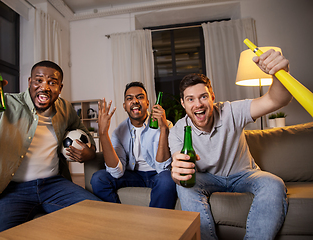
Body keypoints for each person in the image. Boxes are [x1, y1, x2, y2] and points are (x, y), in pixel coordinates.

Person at [0, 60, 101, 240]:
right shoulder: (2, 104)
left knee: (100, 216)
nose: (44, 87)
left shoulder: (65, 108)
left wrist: (90, 152)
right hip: (13, 190)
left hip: (55, 185)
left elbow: (86, 135)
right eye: (38, 80)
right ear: (30, 81)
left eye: (52, 83)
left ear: (60, 88)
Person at [168, 49, 292, 239]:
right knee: (184, 187)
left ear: (212, 97)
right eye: (190, 99)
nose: (198, 104)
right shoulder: (178, 130)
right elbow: (180, 166)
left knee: (274, 183)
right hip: (207, 178)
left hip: (244, 175)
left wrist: (279, 73)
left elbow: (276, 100)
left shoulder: (231, 111)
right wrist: (178, 173)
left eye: (203, 96)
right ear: (183, 104)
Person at [91, 82, 177, 209]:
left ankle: (156, 224)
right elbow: (116, 172)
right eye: (129, 98)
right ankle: (119, 219)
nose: (135, 101)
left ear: (148, 103)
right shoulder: (119, 132)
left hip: (157, 174)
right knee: (98, 178)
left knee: (167, 179)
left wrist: (163, 128)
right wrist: (103, 133)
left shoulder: (166, 124)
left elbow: (162, 168)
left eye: (140, 97)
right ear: (124, 106)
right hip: (132, 175)